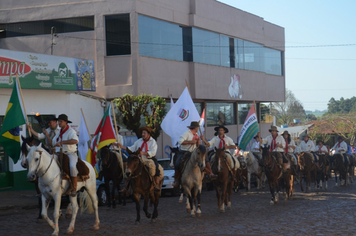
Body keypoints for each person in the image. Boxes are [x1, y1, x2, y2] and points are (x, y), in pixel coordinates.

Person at [173, 121, 216, 188]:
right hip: (185, 151)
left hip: (194, 151)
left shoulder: (196, 134)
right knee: (177, 163)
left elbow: (198, 145)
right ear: (195, 127)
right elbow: (180, 141)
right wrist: (191, 142)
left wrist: (199, 142)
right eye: (198, 127)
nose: (198, 129)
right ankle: (176, 180)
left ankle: (210, 173)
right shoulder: (186, 133)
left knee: (205, 158)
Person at [118, 126, 161, 191]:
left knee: (155, 167)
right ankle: (126, 186)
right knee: (129, 167)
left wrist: (144, 153)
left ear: (148, 134)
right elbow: (132, 148)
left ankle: (155, 184)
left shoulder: (153, 142)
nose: (143, 134)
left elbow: (153, 152)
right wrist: (122, 147)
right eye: (142, 133)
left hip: (149, 158)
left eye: (144, 133)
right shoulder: (138, 141)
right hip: (139, 159)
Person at [52, 114, 79, 197]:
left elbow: (75, 140)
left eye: (61, 121)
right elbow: (53, 142)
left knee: (72, 166)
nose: (59, 123)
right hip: (59, 153)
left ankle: (74, 187)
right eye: (58, 121)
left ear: (66, 122)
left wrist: (62, 142)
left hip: (70, 153)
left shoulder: (71, 131)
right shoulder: (58, 133)